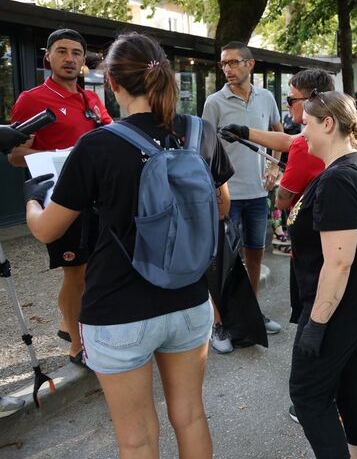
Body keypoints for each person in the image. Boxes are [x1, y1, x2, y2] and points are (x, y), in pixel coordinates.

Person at [24, 32, 232, 458]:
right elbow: (222, 207)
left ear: (113, 84)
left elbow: (47, 229)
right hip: (190, 298)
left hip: (119, 309)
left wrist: (32, 197)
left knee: (137, 438)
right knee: (191, 416)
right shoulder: (200, 133)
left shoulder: (97, 145)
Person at [286, 91, 357, 459]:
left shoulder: (338, 180)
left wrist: (317, 323)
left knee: (308, 394)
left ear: (328, 124)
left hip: (339, 305)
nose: (302, 131)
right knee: (352, 382)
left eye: (307, 123)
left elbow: (339, 262)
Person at [9, 28, 113, 366]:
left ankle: (71, 326)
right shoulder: (32, 99)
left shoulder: (92, 100)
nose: (69, 58)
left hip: (98, 197)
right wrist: (38, 153)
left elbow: (109, 139)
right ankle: (77, 347)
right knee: (75, 272)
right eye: (62, 51)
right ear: (48, 57)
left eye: (76, 53)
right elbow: (14, 157)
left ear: (84, 60)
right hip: (61, 200)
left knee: (94, 269)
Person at [202, 41, 283, 353]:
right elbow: (205, 149)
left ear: (251, 65)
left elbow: (278, 132)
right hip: (228, 196)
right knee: (224, 261)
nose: (227, 69)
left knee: (255, 256)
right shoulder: (214, 103)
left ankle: (252, 314)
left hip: (258, 193)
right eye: (224, 63)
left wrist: (275, 166)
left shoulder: (266, 97)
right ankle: (219, 323)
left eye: (234, 62)